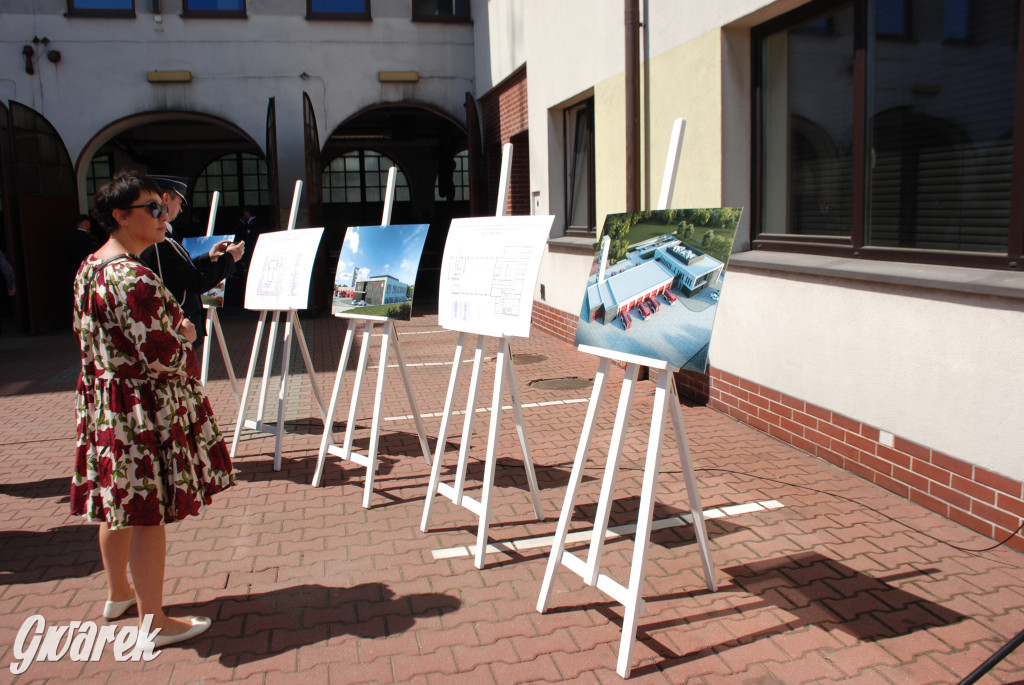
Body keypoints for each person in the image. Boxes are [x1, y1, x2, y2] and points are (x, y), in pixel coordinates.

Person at [71, 169, 235, 647]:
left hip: (108, 407)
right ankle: (153, 622)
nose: (163, 216)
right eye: (153, 209)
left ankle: (120, 594)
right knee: (147, 511)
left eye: (163, 208)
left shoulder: (91, 267)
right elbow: (163, 355)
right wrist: (185, 334)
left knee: (116, 506)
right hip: (141, 410)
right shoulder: (132, 276)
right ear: (120, 217)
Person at [139, 175, 244, 351]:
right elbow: (196, 281)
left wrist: (208, 256)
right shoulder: (160, 241)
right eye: (179, 202)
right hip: (177, 330)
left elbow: (179, 271)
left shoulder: (162, 238)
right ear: (165, 199)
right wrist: (230, 258)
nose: (180, 210)